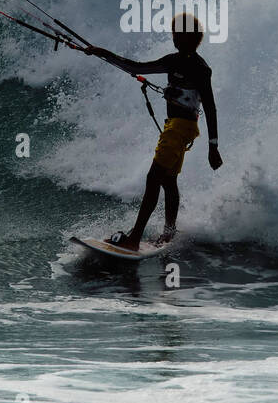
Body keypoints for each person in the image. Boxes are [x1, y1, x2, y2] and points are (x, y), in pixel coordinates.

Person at [85, 13, 222, 249]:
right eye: (174, 34)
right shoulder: (174, 60)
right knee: (168, 180)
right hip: (175, 127)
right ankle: (169, 233)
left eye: (179, 34)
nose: (175, 38)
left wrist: (214, 147)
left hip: (181, 128)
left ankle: (134, 239)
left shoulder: (200, 69)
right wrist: (103, 53)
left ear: (192, 37)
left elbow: (210, 107)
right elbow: (136, 67)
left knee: (153, 178)